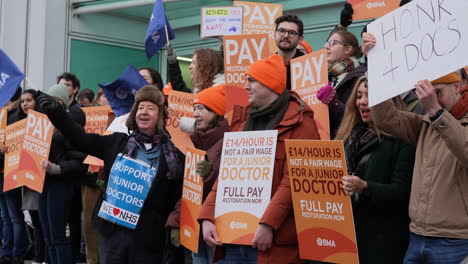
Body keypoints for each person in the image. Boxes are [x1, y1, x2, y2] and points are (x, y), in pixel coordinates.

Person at [38, 85, 184, 264]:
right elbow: (80, 139)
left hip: (148, 237)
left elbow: (180, 193)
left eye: (151, 108)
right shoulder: (117, 142)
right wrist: (57, 113)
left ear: (160, 115)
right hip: (112, 233)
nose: (144, 112)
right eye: (140, 107)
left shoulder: (173, 156)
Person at [199, 55, 321, 264]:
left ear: (270, 84)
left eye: (252, 80)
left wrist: (268, 224)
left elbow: (293, 181)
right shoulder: (241, 121)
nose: (245, 86)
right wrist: (207, 216)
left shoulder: (303, 125)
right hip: (233, 238)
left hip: (273, 241)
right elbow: (229, 175)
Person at [368, 71, 468, 263]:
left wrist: (437, 112)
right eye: (424, 95)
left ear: (457, 87)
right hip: (417, 234)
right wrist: (376, 72)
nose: (428, 100)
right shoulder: (427, 123)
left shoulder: (438, 118)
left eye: (436, 93)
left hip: (457, 241)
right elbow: (386, 119)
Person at [334, 75, 415, 264]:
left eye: (369, 95)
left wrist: (364, 187)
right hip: (347, 237)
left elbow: (402, 192)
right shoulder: (346, 137)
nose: (362, 101)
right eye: (359, 95)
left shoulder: (403, 139)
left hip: (382, 241)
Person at [36, 84, 88, 264]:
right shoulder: (40, 124)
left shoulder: (71, 126)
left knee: (58, 236)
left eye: (52, 100)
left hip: (60, 184)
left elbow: (81, 160)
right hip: (42, 184)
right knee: (48, 237)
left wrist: (57, 168)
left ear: (60, 102)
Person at [188, 85, 230, 264]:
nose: (195, 114)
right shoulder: (193, 140)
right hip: (194, 225)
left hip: (217, 227)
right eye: (194, 109)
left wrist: (211, 171)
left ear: (217, 112)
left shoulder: (230, 139)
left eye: (201, 109)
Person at [12, 90, 49, 264]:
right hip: (27, 179)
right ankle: (38, 257)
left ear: (37, 102)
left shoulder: (45, 122)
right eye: (22, 101)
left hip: (42, 178)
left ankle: (43, 258)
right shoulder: (19, 125)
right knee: (36, 221)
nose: (25, 104)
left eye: (29, 100)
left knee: (44, 223)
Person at [317, 29, 366, 138]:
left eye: (333, 43)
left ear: (348, 49)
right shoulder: (325, 75)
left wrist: (334, 104)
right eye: (327, 43)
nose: (327, 47)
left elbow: (358, 117)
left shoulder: (360, 77)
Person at [0, 87, 27, 264]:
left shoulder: (17, 116)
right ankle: (7, 251)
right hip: (2, 171)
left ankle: (17, 253)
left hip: (11, 171)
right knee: (5, 216)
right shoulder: (4, 115)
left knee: (14, 216)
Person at [274, 14, 305, 90]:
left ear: (300, 39)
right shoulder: (266, 65)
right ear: (274, 34)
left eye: (291, 33)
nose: (285, 36)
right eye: (281, 31)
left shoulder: (308, 66)